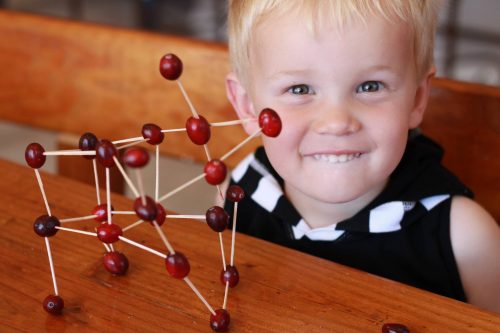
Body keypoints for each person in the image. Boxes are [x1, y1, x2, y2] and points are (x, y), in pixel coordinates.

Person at [223, 0, 500, 312]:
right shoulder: (244, 189)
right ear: (247, 106)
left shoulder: (465, 238)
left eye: (370, 86)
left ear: (417, 98)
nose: (337, 121)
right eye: (299, 90)